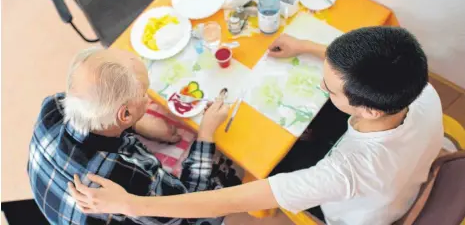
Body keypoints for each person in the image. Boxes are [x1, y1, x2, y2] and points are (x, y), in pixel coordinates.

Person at [68, 27, 444, 225]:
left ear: (371, 110)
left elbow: (234, 200)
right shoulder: (419, 87)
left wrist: (132, 204)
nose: (321, 87)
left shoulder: (344, 173)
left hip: (362, 213)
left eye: (329, 89)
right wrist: (309, 46)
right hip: (412, 165)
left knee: (263, 165)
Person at [27, 47, 231, 225]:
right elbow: (190, 206)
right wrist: (206, 132)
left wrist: (139, 124)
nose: (149, 98)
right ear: (124, 114)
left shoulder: (52, 106)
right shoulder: (132, 175)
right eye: (145, 93)